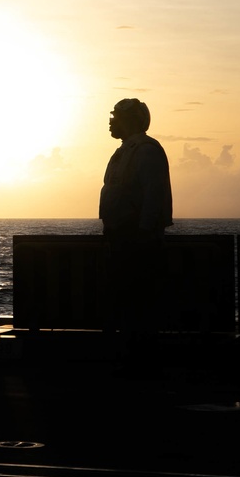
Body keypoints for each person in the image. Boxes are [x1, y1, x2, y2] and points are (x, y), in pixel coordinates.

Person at [99, 98, 173, 362]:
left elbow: (153, 194)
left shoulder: (145, 150)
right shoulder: (126, 151)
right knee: (124, 301)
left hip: (136, 240)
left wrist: (143, 234)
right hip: (121, 237)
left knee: (137, 302)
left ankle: (141, 358)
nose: (110, 121)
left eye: (115, 116)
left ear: (129, 120)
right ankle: (128, 354)